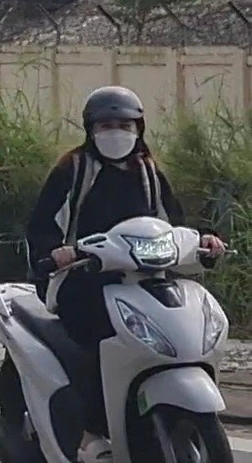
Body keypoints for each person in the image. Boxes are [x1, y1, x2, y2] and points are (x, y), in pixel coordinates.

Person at [25, 86, 221, 463]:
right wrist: (57, 254)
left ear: (139, 128)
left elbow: (175, 221)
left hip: (145, 278)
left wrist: (204, 241)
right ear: (90, 129)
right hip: (83, 279)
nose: (116, 132)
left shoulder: (148, 170)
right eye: (106, 125)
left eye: (124, 124)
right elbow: (40, 223)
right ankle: (88, 429)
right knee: (97, 340)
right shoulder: (73, 168)